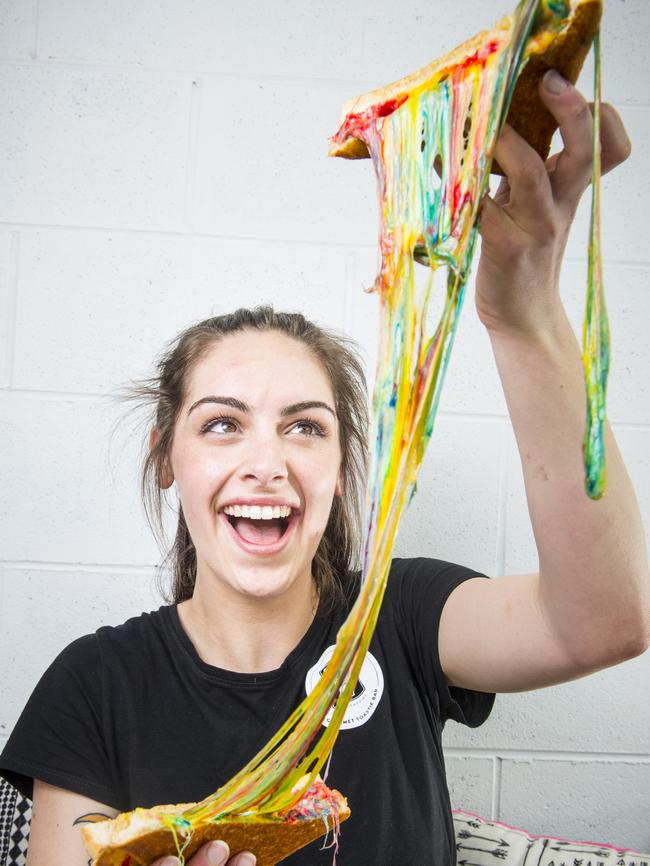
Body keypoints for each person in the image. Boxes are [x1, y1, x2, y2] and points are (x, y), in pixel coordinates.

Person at [1, 72, 648, 866]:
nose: (266, 464)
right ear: (168, 456)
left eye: (305, 428)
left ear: (340, 469)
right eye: (223, 425)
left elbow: (607, 621)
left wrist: (526, 313)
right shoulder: (95, 683)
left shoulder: (402, 617)